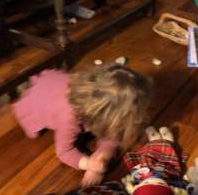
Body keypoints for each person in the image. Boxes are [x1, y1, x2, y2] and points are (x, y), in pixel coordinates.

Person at [12, 64, 153, 187]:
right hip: (35, 101)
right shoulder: (68, 117)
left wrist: (102, 155)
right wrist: (88, 164)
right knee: (34, 135)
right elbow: (64, 152)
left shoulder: (94, 92)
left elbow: (112, 133)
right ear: (103, 117)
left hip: (54, 84)